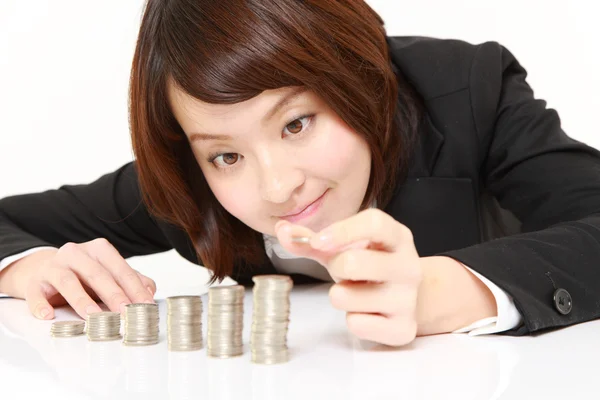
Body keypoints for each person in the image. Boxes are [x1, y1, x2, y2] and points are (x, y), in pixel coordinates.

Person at [1, 0, 599, 348]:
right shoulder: (187, 188)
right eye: (226, 156)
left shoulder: (468, 91)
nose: (277, 186)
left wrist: (447, 291)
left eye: (296, 124)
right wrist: (33, 267)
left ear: (359, 80)